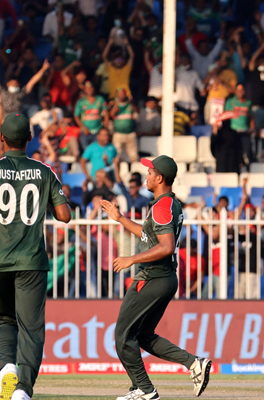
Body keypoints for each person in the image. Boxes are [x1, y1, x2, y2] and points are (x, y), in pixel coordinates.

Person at [0, 113, 71, 400]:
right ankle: (23, 390)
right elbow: (64, 216)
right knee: (31, 327)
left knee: (4, 319)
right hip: (32, 260)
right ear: (29, 138)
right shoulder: (44, 171)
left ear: (1, 138)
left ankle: (7, 367)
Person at [100, 155, 211, 400]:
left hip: (152, 277)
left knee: (123, 336)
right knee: (143, 336)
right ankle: (194, 364)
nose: (146, 176)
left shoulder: (161, 206)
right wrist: (119, 218)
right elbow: (147, 235)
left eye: (150, 172)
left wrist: (131, 259)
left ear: (159, 178)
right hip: (165, 278)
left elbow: (166, 246)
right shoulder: (169, 204)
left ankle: (144, 390)